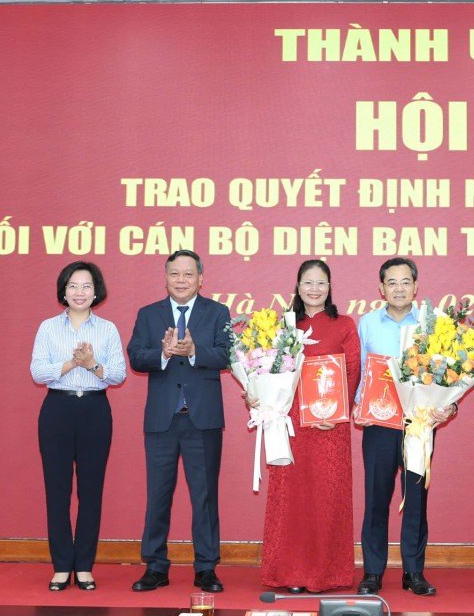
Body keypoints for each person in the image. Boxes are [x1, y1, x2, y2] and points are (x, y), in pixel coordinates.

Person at [126, 250, 231, 593]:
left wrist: (193, 351)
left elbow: (226, 354)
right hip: (162, 420)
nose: (181, 280)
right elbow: (136, 357)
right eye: (175, 274)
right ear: (166, 277)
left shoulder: (217, 312)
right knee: (158, 495)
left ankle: (206, 568)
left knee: (204, 496)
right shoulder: (149, 314)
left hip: (202, 420)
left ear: (201, 278)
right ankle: (155, 567)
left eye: (188, 274)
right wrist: (164, 354)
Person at [255, 260, 360, 593]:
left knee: (327, 498)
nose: (314, 289)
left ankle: (328, 574)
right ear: (297, 287)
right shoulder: (284, 325)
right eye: (308, 283)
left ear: (330, 288)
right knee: (293, 498)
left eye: (321, 283)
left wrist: (337, 410)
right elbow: (267, 370)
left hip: (330, 424)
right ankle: (290, 573)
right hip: (292, 424)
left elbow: (351, 372)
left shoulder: (344, 324)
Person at [356, 257, 453, 597]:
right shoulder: (366, 324)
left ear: (416, 286)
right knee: (376, 499)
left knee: (415, 500)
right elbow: (363, 373)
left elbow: (451, 373)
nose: (398, 288)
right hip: (379, 422)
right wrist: (358, 404)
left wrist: (449, 405)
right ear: (381, 288)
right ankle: (372, 572)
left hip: (420, 424)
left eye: (405, 282)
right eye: (391, 282)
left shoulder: (435, 323)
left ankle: (414, 572)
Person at [30, 261, 127, 592]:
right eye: (73, 285)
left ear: (96, 291)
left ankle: (84, 566)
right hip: (57, 409)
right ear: (63, 290)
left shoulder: (108, 329)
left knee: (91, 491)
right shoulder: (47, 328)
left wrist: (93, 365)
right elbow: (38, 372)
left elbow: (118, 374)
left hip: (94, 410)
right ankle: (61, 566)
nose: (80, 292)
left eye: (86, 286)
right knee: (57, 491)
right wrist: (72, 363)